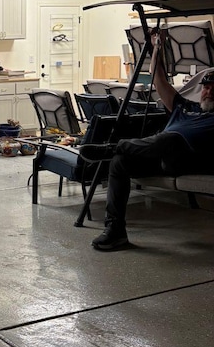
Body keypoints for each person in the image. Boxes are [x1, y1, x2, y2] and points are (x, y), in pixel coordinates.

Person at [79, 31, 214, 251]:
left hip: (192, 158)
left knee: (170, 138)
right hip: (162, 157)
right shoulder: (186, 108)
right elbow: (158, 79)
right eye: (206, 88)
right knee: (120, 162)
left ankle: (112, 148)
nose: (208, 92)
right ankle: (115, 232)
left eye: (213, 89)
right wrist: (157, 48)